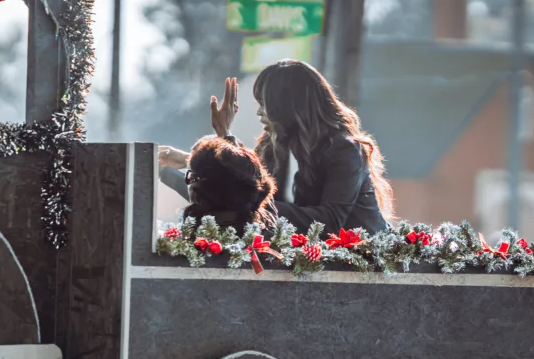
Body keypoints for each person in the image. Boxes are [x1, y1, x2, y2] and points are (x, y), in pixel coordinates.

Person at [158, 59, 393, 235]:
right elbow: (225, 197)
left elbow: (328, 221)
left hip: (366, 266)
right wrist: (172, 168)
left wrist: (226, 140)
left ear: (288, 105)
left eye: (264, 104)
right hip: (307, 265)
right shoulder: (272, 148)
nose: (260, 112)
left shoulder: (344, 151)